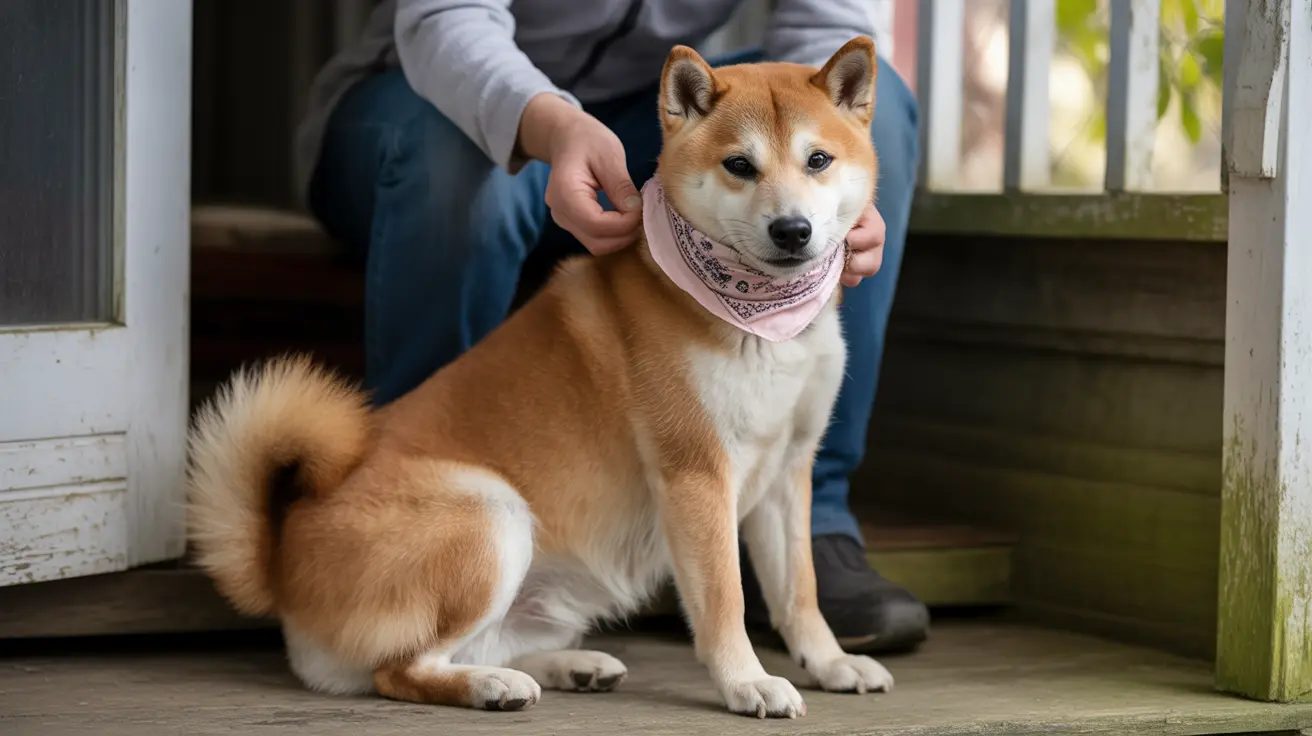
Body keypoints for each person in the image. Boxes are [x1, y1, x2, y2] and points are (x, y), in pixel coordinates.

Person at [295, 0, 927, 653]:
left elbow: (830, 42)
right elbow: (444, 20)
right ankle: (418, 512)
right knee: (455, 165)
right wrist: (554, 126)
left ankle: (811, 519)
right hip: (425, 97)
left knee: (893, 116)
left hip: (632, 110)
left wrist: (836, 193)